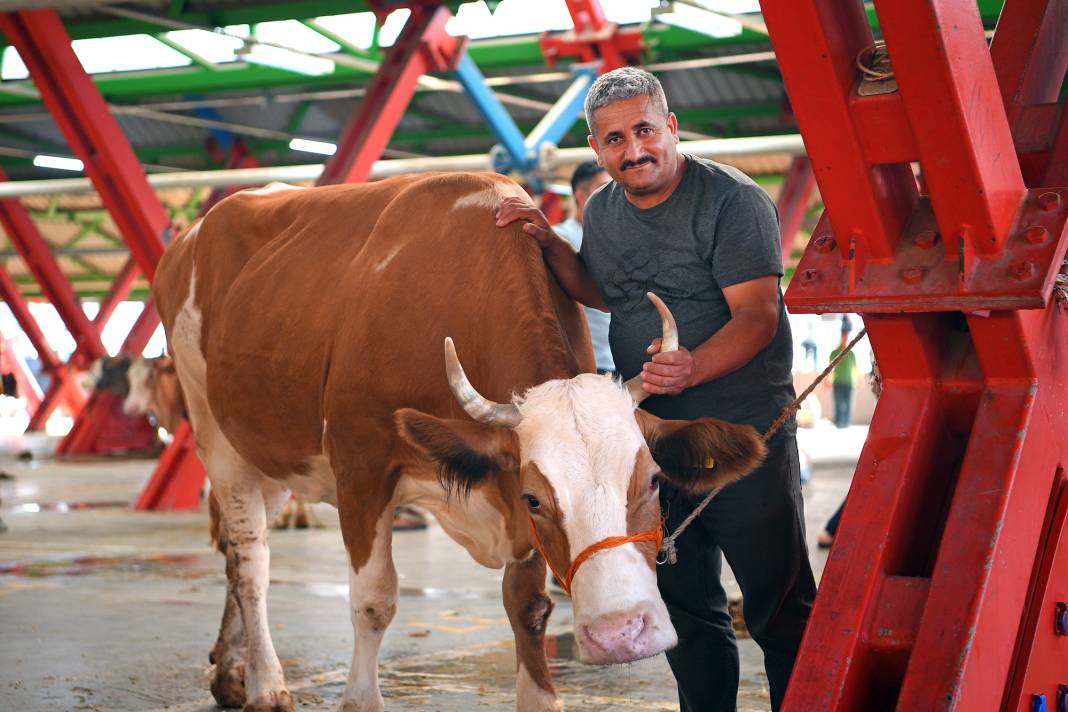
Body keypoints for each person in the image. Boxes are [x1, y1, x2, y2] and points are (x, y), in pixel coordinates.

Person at [496, 66, 814, 712]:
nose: (633, 150)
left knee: (778, 605)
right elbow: (602, 288)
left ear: (671, 127)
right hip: (643, 446)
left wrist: (693, 367)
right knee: (686, 608)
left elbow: (757, 316)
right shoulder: (605, 209)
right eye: (614, 140)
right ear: (596, 147)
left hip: (739, 433)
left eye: (644, 131)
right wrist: (548, 242)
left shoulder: (733, 201)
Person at [553, 160, 614, 376]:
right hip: (588, 364)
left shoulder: (624, 236)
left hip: (627, 361)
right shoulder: (558, 240)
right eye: (604, 188)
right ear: (581, 196)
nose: (613, 196)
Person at [829, 318, 858, 428]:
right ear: (841, 336)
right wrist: (828, 381)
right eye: (844, 335)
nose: (845, 338)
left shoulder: (851, 354)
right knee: (838, 404)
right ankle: (838, 423)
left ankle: (845, 423)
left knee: (848, 404)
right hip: (838, 382)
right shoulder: (834, 353)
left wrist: (859, 380)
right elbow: (830, 369)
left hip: (849, 382)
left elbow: (855, 368)